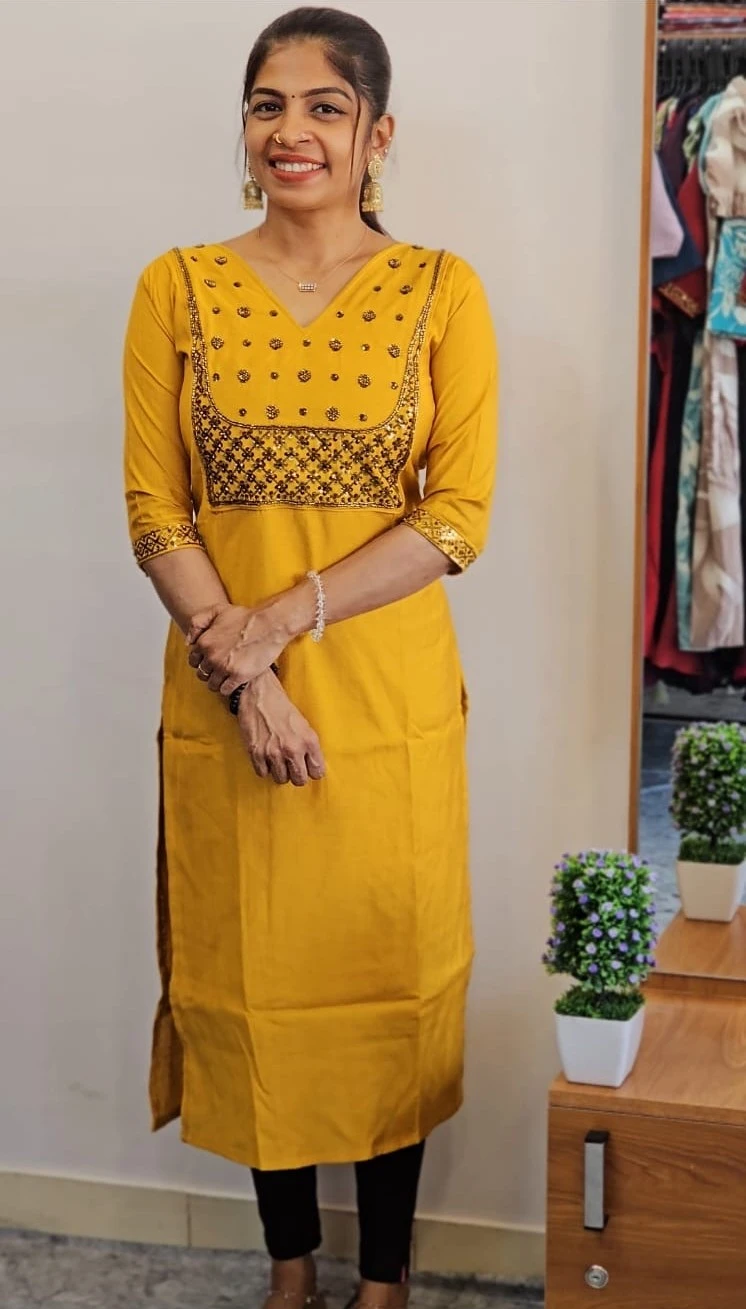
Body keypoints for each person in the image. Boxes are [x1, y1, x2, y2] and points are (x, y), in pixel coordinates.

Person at [123, 7, 498, 1308]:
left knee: (388, 980)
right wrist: (251, 679)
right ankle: (289, 1273)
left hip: (387, 711)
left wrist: (281, 622)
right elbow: (156, 514)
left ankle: (384, 1281)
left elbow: (455, 519)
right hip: (229, 705)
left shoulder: (442, 290)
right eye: (267, 104)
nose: (291, 131)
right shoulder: (177, 286)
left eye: (324, 107)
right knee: (253, 982)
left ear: (377, 135)